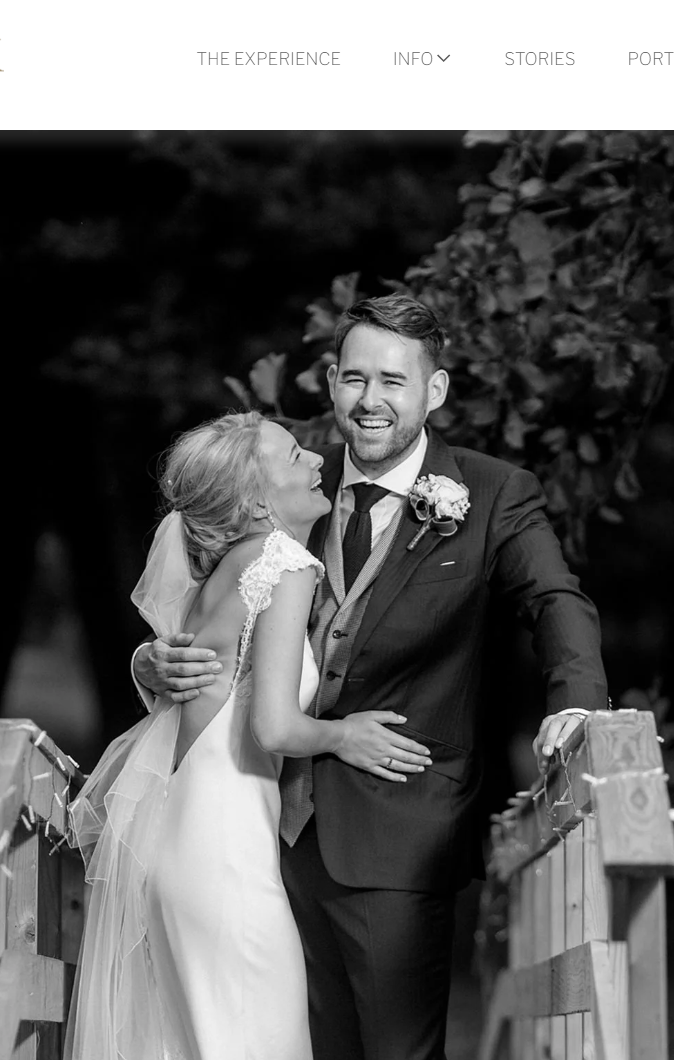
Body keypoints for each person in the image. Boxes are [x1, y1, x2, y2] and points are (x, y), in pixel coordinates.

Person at [133, 295, 609, 1060]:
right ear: (331, 381)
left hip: (399, 831)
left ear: (436, 390)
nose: (371, 400)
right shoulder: (289, 480)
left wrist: (579, 704)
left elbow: (554, 599)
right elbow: (204, 602)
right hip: (261, 835)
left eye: (394, 380)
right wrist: (152, 660)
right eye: (355, 378)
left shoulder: (490, 493)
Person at [67, 411, 433, 1060]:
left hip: (180, 842)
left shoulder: (219, 575)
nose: (318, 460)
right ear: (257, 497)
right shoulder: (283, 563)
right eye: (295, 457)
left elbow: (188, 687)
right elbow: (275, 725)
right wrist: (346, 734)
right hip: (225, 853)